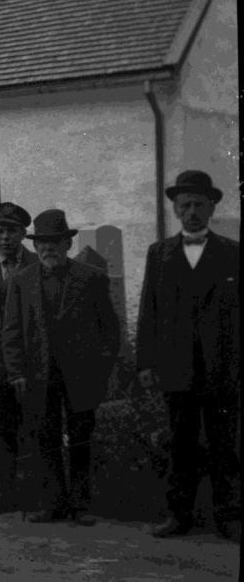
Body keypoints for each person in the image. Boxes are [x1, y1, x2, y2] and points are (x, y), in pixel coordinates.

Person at [137, 170, 240, 541]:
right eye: (185, 205)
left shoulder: (231, 252)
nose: (192, 211)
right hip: (176, 367)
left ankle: (228, 517)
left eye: (199, 204)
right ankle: (179, 515)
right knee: (181, 444)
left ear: (211, 207)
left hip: (221, 368)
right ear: (176, 210)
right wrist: (146, 362)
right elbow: (148, 309)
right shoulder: (159, 253)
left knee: (223, 445)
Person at [1, 209, 119, 526]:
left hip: (81, 375)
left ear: (67, 244)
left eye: (54, 242)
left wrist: (101, 372)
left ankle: (80, 506)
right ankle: (52, 503)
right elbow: (11, 332)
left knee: (81, 438)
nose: (47, 249)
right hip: (39, 374)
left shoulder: (90, 277)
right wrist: (16, 373)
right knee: (44, 438)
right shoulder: (21, 281)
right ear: (35, 246)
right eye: (42, 243)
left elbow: (109, 330)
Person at [0, 202, 37, 514]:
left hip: (29, 365)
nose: (4, 238)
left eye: (11, 231)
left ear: (23, 234)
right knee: (1, 430)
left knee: (32, 428)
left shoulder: (35, 264)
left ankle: (37, 493)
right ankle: (6, 493)